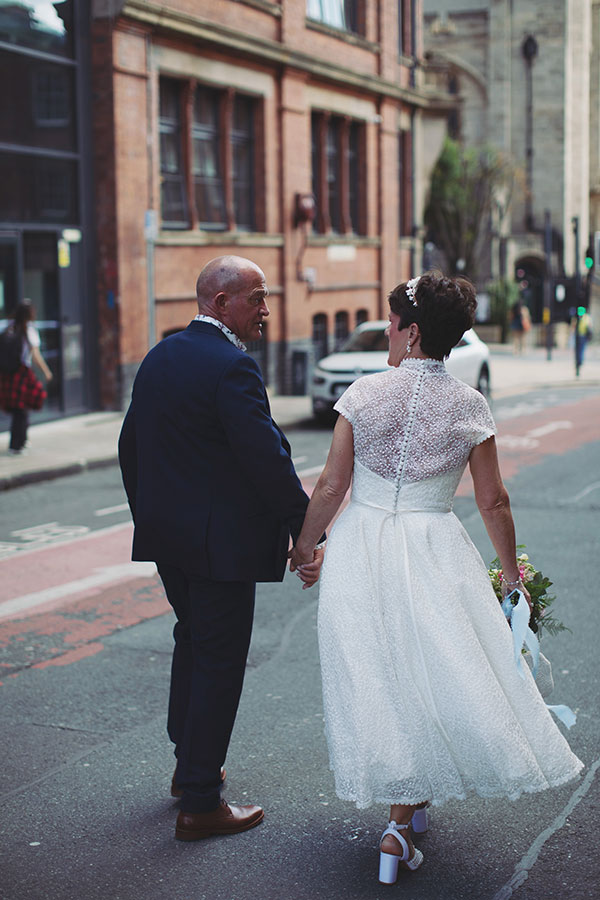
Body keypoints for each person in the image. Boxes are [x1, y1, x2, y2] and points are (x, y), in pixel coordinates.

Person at [290, 272, 583, 884]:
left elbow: (332, 486)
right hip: (433, 547)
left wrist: (305, 544)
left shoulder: (363, 395)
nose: (389, 331)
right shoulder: (469, 405)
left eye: (394, 322)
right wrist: (510, 577)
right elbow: (493, 501)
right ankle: (403, 820)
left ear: (414, 330)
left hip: (362, 546)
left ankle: (402, 818)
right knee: (430, 665)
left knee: (384, 669)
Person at [118, 255, 323, 842]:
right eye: (256, 298)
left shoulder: (160, 356)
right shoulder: (232, 366)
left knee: (193, 639)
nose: (265, 309)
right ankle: (202, 802)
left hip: (169, 541)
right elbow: (266, 459)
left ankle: (190, 767)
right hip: (218, 549)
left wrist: (151, 517)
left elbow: (130, 445)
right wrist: (307, 532)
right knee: (219, 660)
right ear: (219, 302)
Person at [0, 299, 52, 454]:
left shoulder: (7, 327)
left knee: (20, 409)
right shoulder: (28, 330)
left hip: (8, 374)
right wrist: (46, 371)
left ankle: (20, 441)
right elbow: (35, 355)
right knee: (23, 408)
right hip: (22, 372)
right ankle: (17, 444)